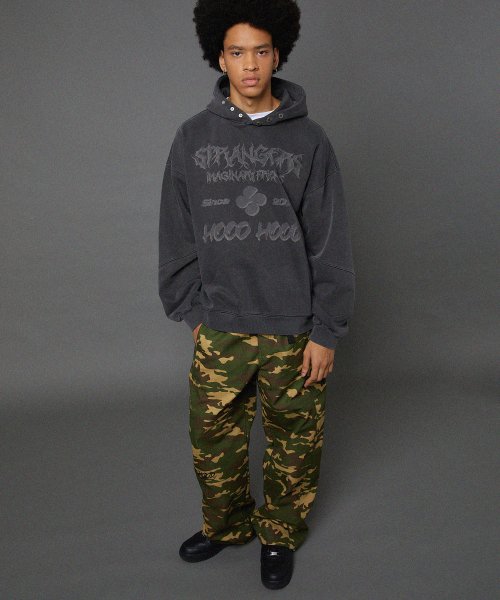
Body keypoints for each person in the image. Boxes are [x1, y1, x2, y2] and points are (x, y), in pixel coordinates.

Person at [158, 0, 355, 590]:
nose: (250, 65)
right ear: (219, 57)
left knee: (295, 442)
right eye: (237, 52)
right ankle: (226, 525)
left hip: (295, 328)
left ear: (277, 55)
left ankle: (279, 534)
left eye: (261, 51)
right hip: (221, 327)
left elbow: (330, 241)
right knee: (212, 437)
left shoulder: (310, 141)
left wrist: (327, 330)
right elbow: (176, 233)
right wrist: (194, 312)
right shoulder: (192, 138)